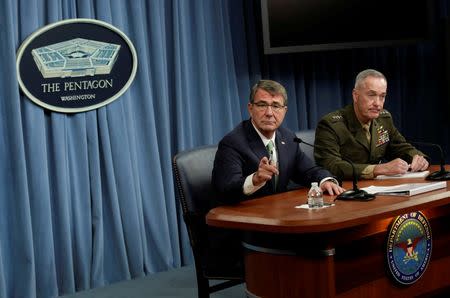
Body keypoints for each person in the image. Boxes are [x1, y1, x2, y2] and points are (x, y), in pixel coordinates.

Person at [212, 79, 344, 204]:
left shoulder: (287, 137)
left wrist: (325, 181)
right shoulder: (233, 143)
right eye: (262, 105)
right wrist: (254, 180)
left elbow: (308, 171)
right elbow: (225, 191)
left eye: (276, 106)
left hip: (279, 213)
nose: (269, 113)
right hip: (245, 219)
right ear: (250, 108)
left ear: (284, 111)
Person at [314, 69, 429, 181]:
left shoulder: (384, 119)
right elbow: (331, 165)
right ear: (355, 95)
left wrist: (417, 157)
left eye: (382, 96)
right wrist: (378, 169)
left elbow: (400, 147)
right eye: (371, 95)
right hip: (347, 189)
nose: (378, 103)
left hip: (378, 187)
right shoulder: (331, 124)